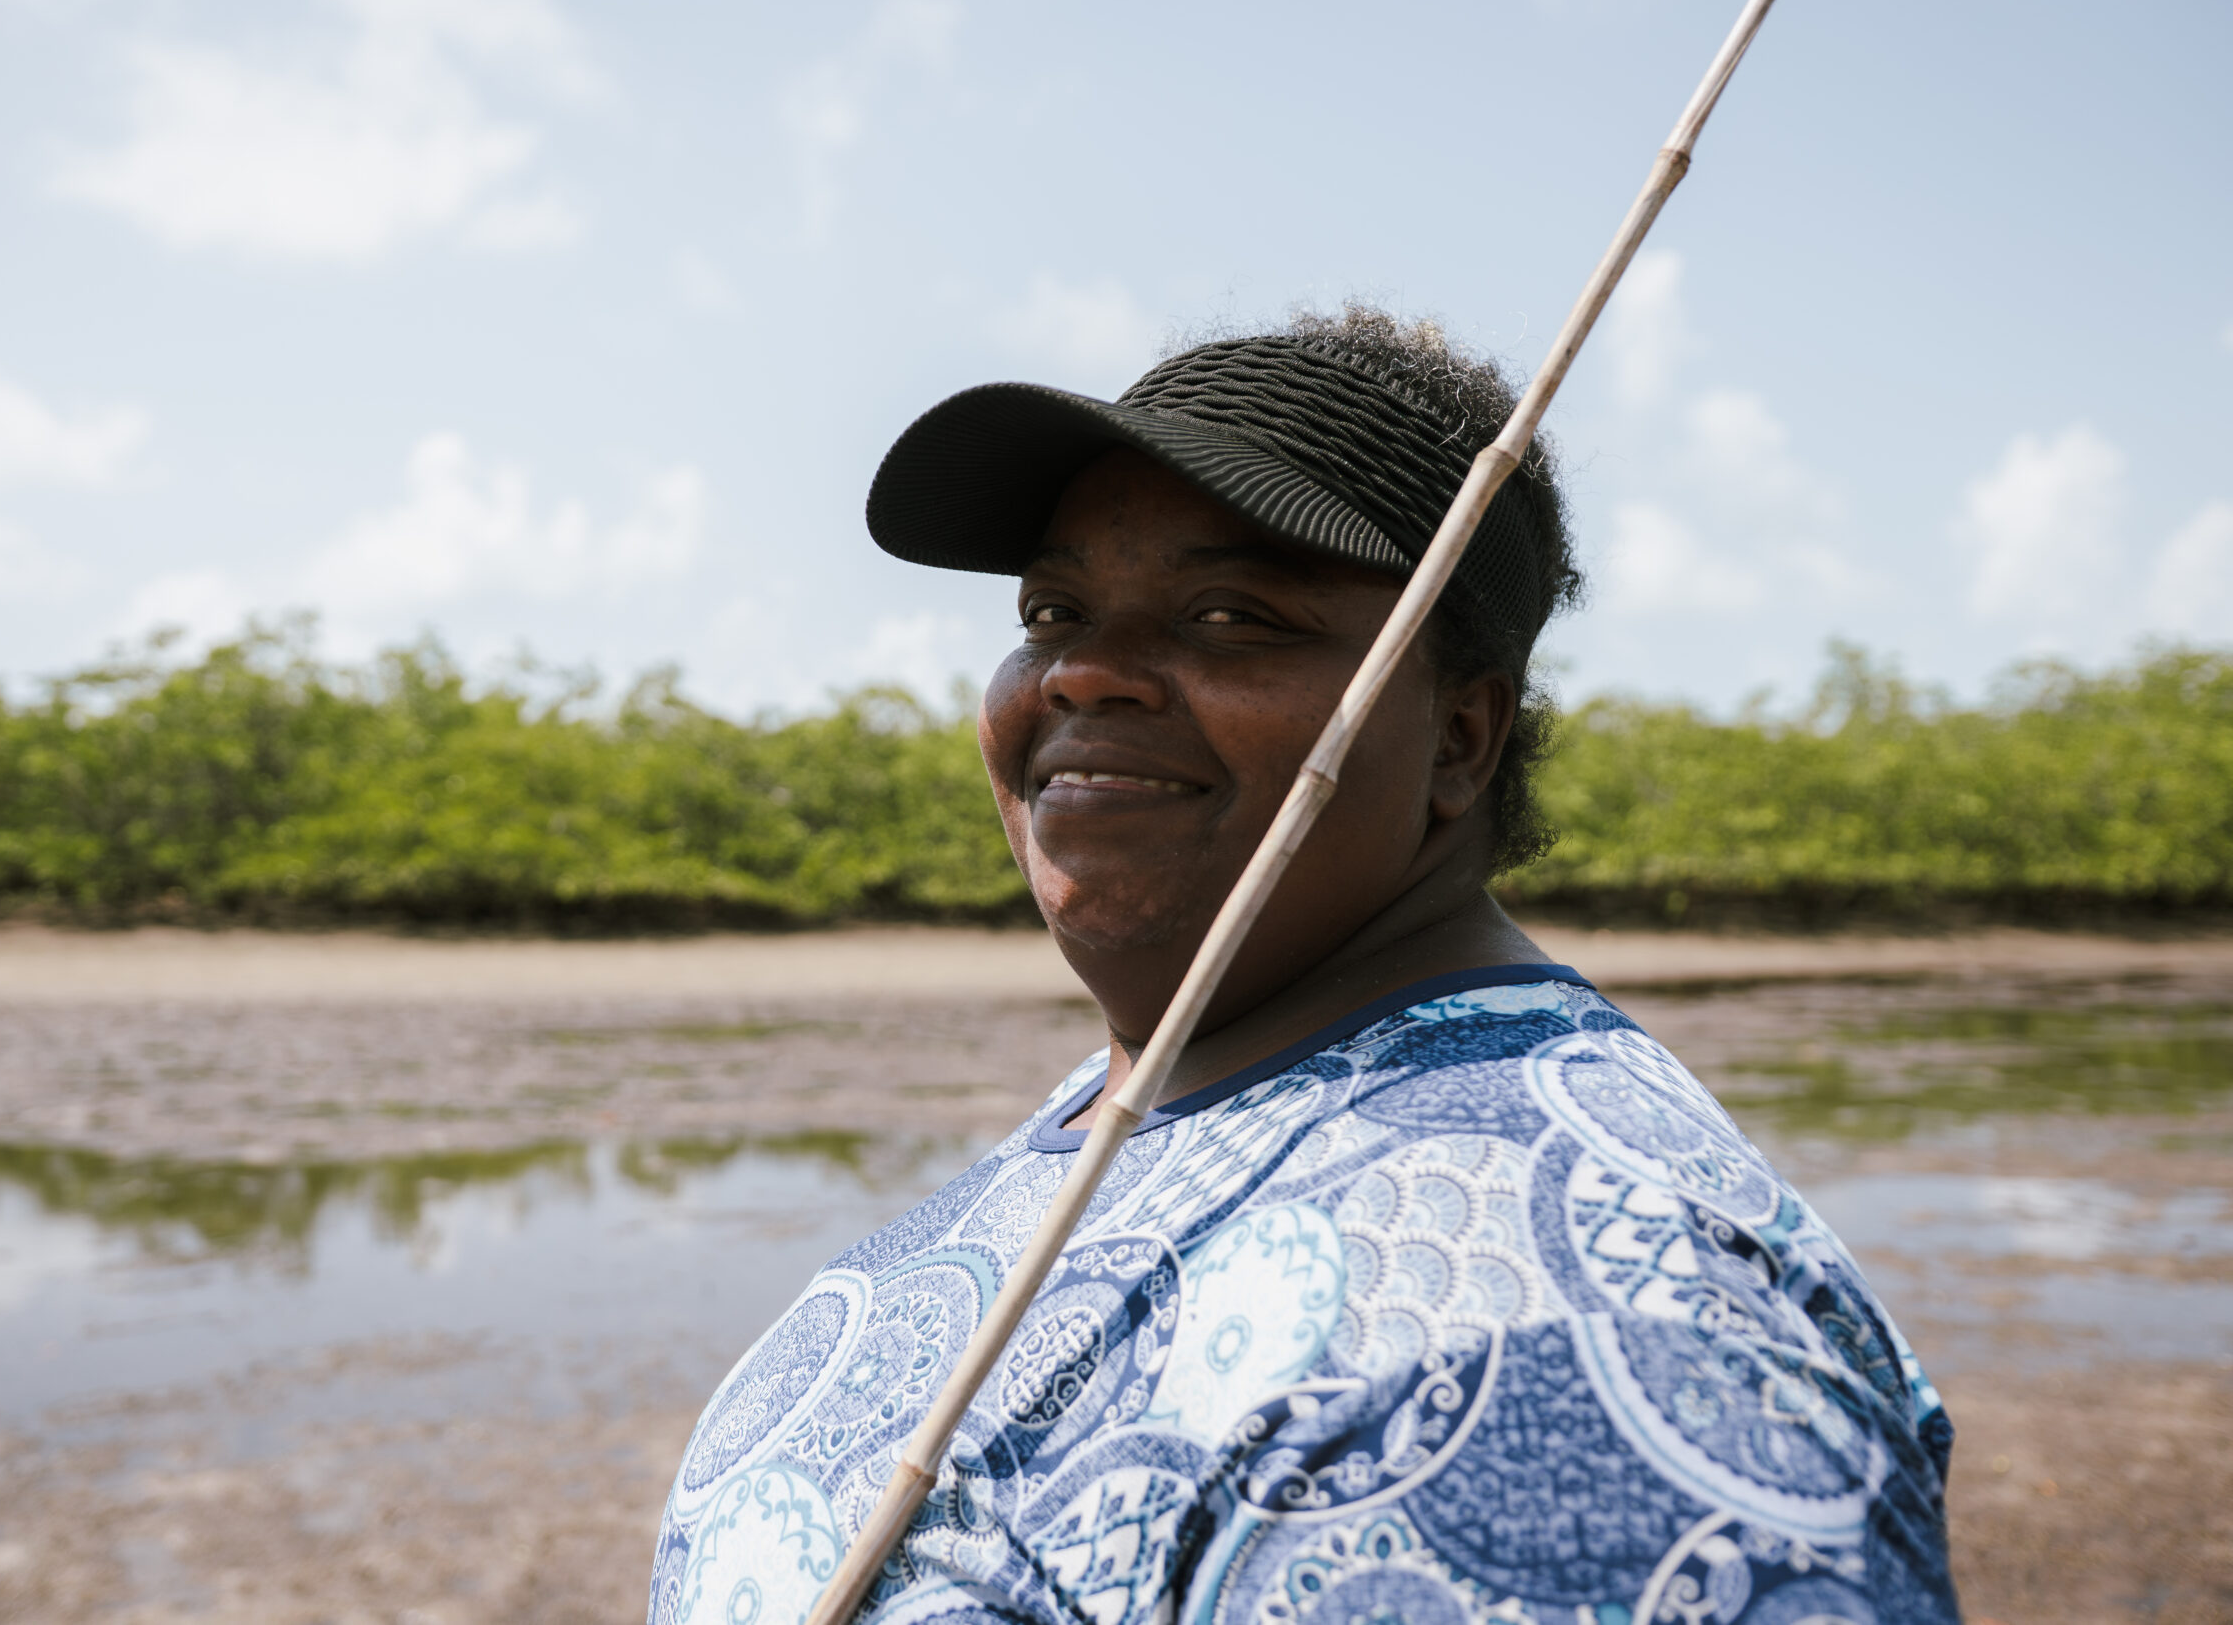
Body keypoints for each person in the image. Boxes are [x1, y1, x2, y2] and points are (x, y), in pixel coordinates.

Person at [647, 307, 1959, 1625]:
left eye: (1231, 615)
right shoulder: (1177, 1093)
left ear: (1457, 737)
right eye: (1054, 608)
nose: (1084, 671)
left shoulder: (1552, 1335)